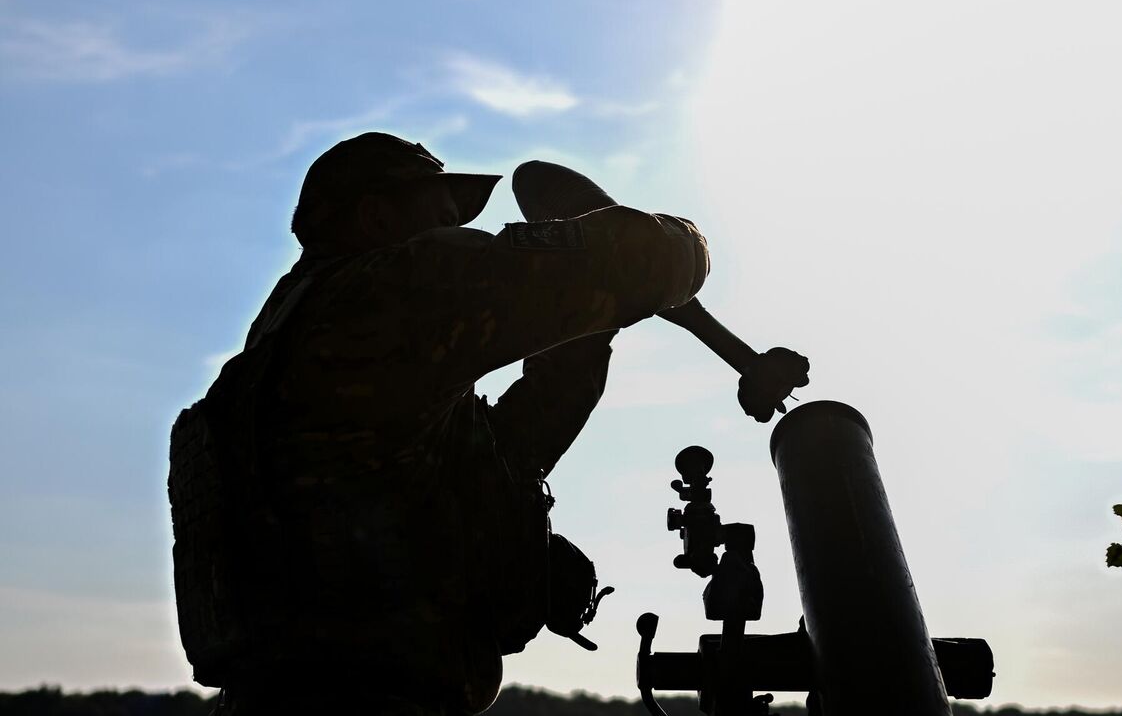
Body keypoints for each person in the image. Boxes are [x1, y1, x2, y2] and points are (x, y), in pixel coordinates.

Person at [167, 132, 808, 715]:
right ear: (375, 218)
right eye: (440, 216)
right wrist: (685, 248)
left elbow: (509, 451)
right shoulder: (387, 294)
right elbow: (637, 255)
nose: (455, 229)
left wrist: (584, 327)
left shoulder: (306, 346)